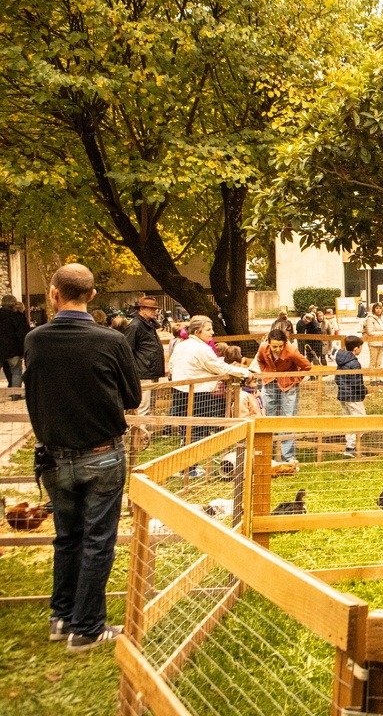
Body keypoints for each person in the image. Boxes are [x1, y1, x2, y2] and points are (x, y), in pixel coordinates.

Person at [23, 263, 140, 652]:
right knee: (97, 540)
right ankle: (86, 627)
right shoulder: (111, 340)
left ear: (54, 293)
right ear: (92, 295)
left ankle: (61, 617)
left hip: (54, 457)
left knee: (67, 537)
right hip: (101, 454)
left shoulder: (35, 340)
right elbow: (133, 396)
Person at [167, 316, 250, 444]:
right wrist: (245, 372)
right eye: (208, 330)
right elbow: (220, 367)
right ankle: (194, 455)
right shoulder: (202, 349)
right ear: (197, 332)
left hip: (179, 391)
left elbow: (171, 366)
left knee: (186, 427)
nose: (212, 332)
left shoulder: (181, 345)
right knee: (199, 429)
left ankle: (187, 452)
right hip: (198, 394)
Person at [255, 328, 313, 463]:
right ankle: (266, 454)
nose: (277, 349)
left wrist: (295, 379)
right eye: (274, 346)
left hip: (288, 385)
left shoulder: (292, 351)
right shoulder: (263, 348)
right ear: (269, 343)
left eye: (280, 346)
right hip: (270, 382)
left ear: (285, 343)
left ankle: (288, 457)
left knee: (288, 417)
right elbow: (260, 360)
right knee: (266, 415)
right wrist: (266, 373)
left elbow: (307, 366)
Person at [125, 296, 166, 428]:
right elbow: (127, 350)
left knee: (150, 405)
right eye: (151, 309)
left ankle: (145, 433)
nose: (155, 312)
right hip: (143, 372)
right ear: (142, 309)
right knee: (143, 406)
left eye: (155, 309)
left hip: (151, 371)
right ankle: (139, 434)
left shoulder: (149, 325)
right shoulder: (135, 326)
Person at [334, 336, 367, 457]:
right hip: (353, 396)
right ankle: (351, 446)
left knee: (349, 420)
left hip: (343, 395)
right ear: (356, 348)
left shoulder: (341, 361)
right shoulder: (354, 363)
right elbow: (356, 382)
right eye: (361, 347)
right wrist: (363, 391)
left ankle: (349, 446)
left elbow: (337, 378)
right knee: (362, 421)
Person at [0, 294, 30, 395]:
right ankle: (15, 394)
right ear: (14, 305)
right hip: (12, 350)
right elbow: (22, 335)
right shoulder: (17, 317)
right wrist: (23, 350)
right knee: (16, 371)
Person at [362, 303, 383, 372]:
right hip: (374, 343)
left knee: (379, 362)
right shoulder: (370, 319)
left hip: (382, 342)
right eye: (377, 308)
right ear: (373, 309)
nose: (379, 310)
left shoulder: (382, 318)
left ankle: (377, 376)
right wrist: (382, 333)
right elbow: (370, 332)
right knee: (373, 362)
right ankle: (372, 377)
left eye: (380, 308)